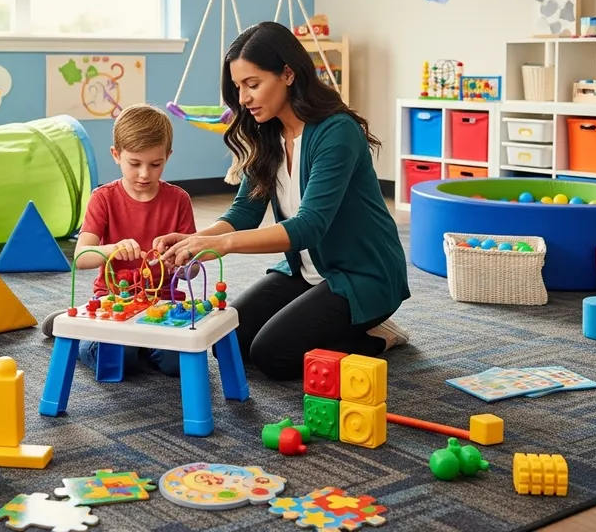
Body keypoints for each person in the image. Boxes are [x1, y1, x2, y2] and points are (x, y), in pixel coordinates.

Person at [154, 21, 411, 380]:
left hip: (363, 275)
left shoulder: (337, 132)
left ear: (288, 74)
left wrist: (222, 245)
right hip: (306, 272)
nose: (243, 98)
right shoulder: (266, 133)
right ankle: (326, 322)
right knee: (230, 341)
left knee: (273, 355)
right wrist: (194, 241)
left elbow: (309, 227)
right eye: (238, 87)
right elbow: (245, 211)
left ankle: (376, 336)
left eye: (253, 84)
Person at [41, 103, 196, 377]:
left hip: (162, 304)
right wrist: (112, 249)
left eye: (155, 164)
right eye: (134, 164)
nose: (145, 174)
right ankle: (74, 332)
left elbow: (193, 268)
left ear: (167, 157)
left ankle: (140, 344)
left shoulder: (179, 200)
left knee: (176, 366)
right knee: (118, 360)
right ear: (116, 155)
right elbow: (81, 257)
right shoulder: (103, 198)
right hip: (114, 301)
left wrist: (182, 264)